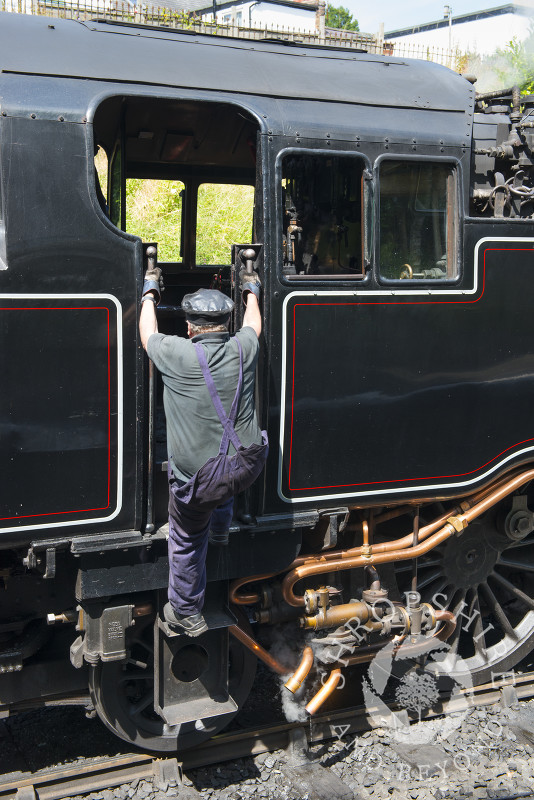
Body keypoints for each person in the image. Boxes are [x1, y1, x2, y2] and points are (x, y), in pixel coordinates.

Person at [139, 268, 268, 637]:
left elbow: (147, 334)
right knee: (225, 473)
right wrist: (252, 292)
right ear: (224, 324)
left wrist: (149, 294)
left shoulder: (176, 352)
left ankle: (185, 611)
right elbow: (254, 325)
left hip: (202, 480)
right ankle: (222, 531)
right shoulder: (244, 346)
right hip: (248, 465)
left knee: (186, 536)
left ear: (191, 328)